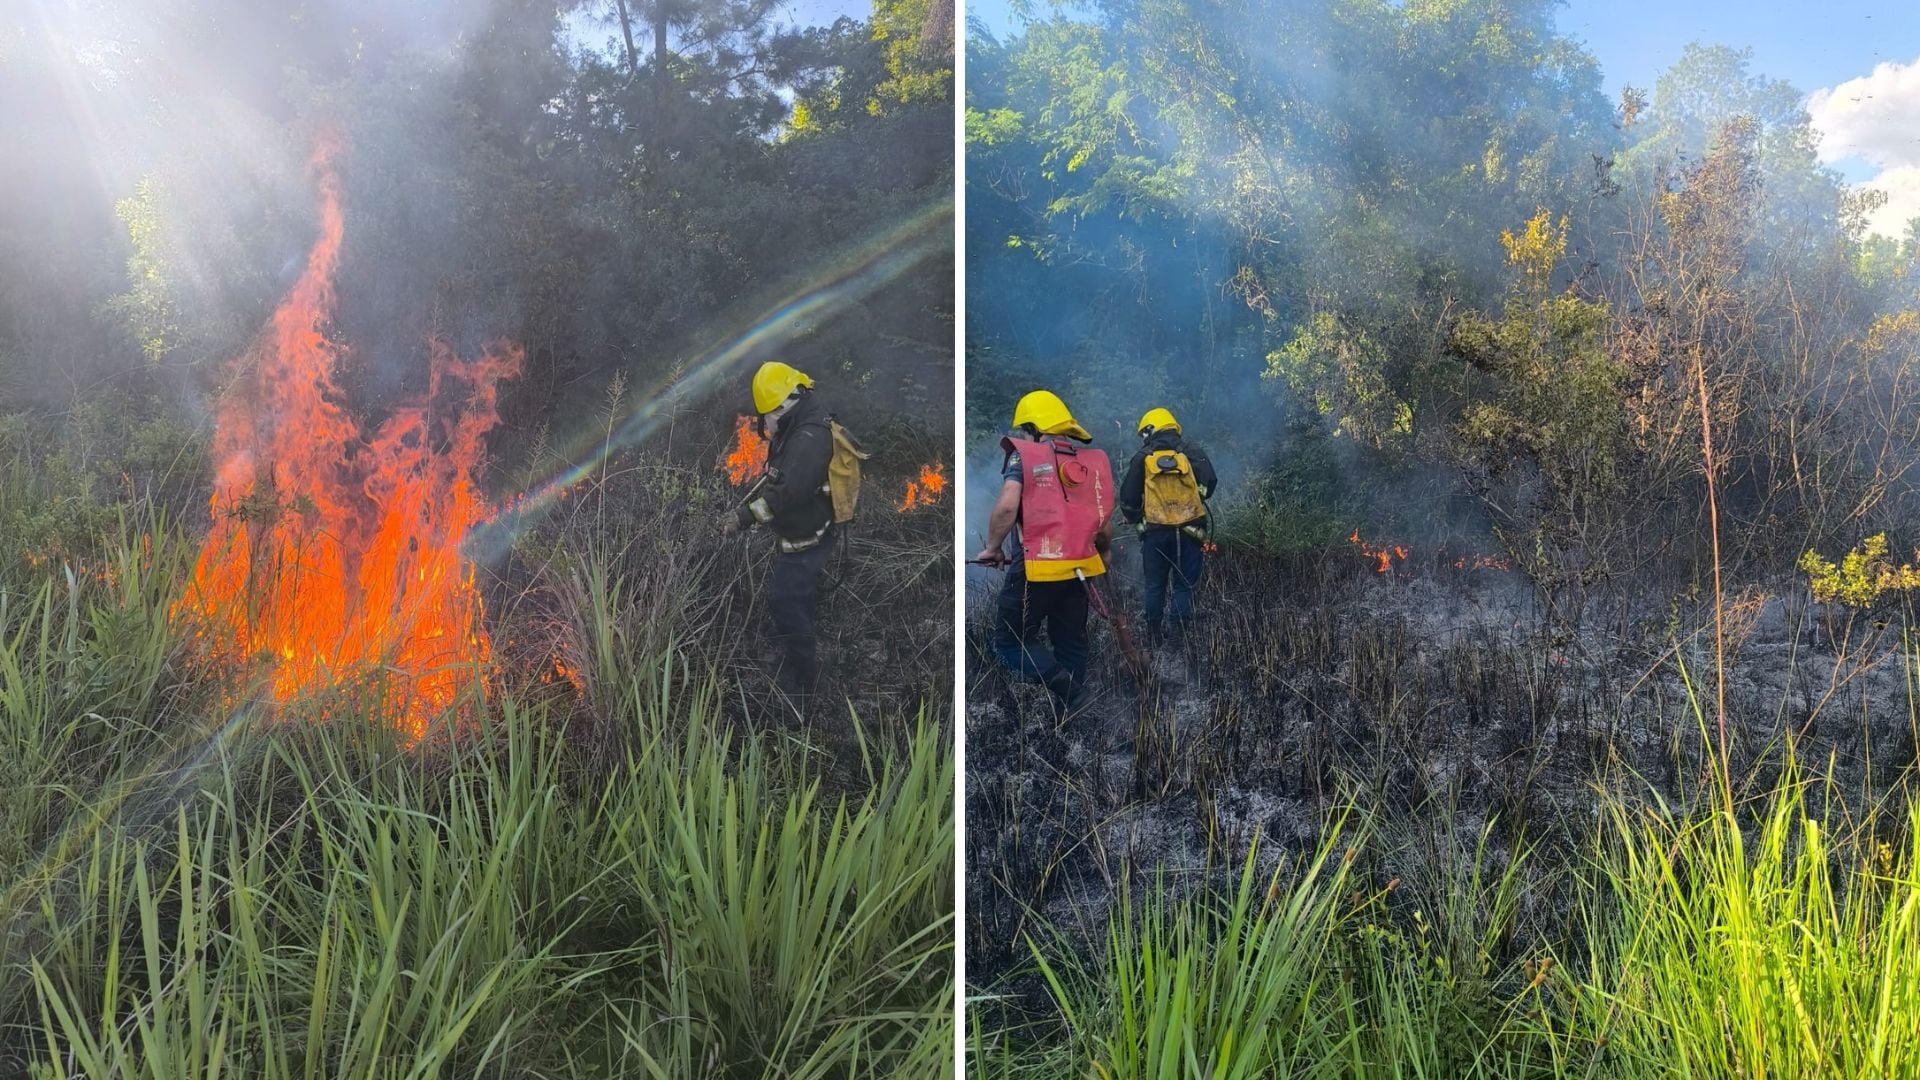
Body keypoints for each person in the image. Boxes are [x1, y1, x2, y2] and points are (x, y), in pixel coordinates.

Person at [973, 389, 1116, 719]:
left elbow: (1009, 505)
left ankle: (1070, 692)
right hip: (1080, 569)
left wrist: (992, 548)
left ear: (1034, 428)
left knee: (1009, 643)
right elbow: (1102, 519)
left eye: (1026, 430)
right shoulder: (1087, 463)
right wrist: (1104, 554)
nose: (1024, 437)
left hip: (1037, 569)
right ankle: (1073, 715)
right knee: (1071, 643)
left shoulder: (1024, 456)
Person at [723, 360, 836, 703]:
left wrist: (742, 518)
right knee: (799, 599)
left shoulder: (809, 439)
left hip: (807, 541)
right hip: (802, 533)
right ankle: (803, 647)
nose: (765, 424)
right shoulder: (800, 421)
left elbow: (785, 495)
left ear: (786, 404)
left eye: (768, 415)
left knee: (784, 601)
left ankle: (804, 685)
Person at [1119, 407, 1216, 642]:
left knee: (1155, 586)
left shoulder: (1143, 456)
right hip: (1190, 533)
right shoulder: (1192, 450)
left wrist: (1136, 519)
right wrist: (1194, 498)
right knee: (1183, 586)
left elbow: (1128, 499)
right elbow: (1210, 482)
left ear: (1150, 430)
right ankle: (1179, 637)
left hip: (1155, 534)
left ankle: (1154, 636)